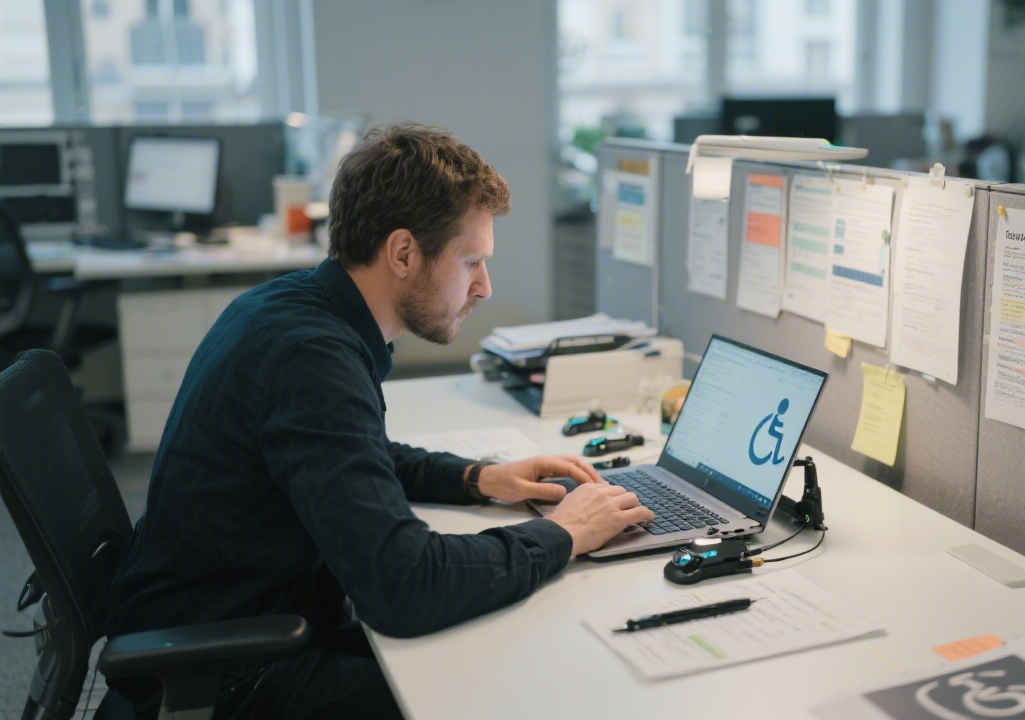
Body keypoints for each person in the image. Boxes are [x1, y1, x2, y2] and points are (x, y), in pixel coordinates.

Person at [102, 123, 655, 719]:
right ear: (403, 253)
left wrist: (475, 477)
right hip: (228, 674)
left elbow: (351, 452)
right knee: (516, 691)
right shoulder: (309, 357)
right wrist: (564, 533)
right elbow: (403, 586)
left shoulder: (288, 308)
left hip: (238, 617)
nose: (484, 287)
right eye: (470, 261)